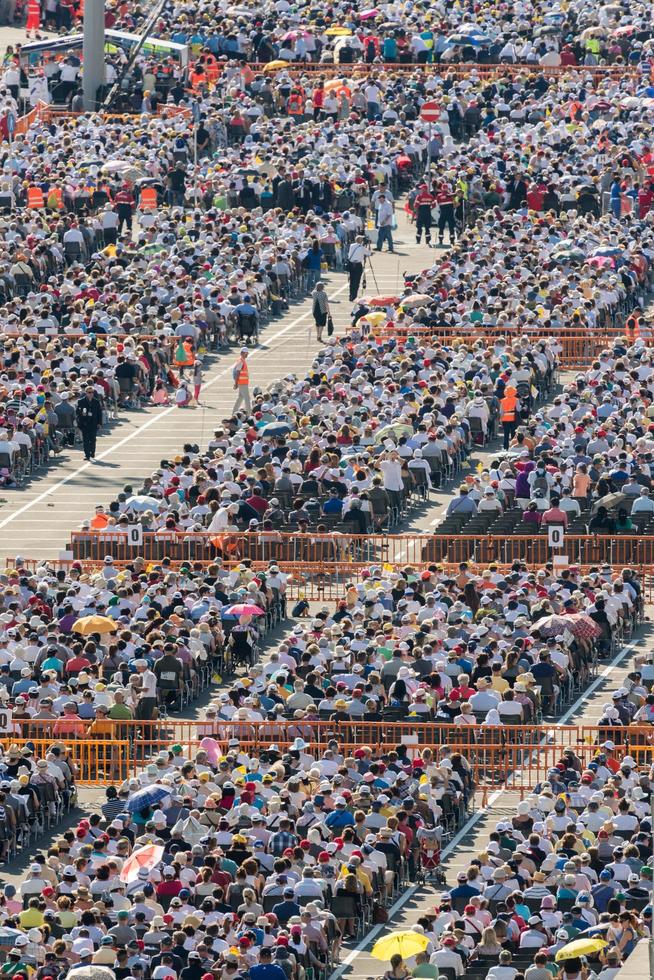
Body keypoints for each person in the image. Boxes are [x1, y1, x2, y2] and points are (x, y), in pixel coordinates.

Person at [75, 386, 102, 461]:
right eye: (89, 392)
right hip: (84, 423)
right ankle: (87, 455)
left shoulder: (96, 401)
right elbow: (77, 412)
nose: (91, 394)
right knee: (86, 439)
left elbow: (99, 413)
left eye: (92, 392)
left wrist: (100, 423)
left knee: (93, 439)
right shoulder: (81, 401)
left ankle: (92, 452)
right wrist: (81, 414)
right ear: (86, 393)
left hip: (94, 423)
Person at [347, 235, 370, 301]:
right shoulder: (362, 247)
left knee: (352, 281)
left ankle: (351, 295)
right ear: (360, 241)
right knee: (356, 282)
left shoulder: (352, 246)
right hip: (357, 265)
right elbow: (368, 253)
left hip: (351, 265)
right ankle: (354, 296)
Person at [232, 348, 251, 413]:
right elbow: (237, 373)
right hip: (242, 383)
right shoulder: (241, 361)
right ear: (242, 353)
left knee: (240, 398)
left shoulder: (242, 360)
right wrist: (236, 383)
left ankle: (234, 412)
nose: (247, 355)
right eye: (246, 353)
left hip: (242, 382)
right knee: (247, 398)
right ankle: (249, 414)